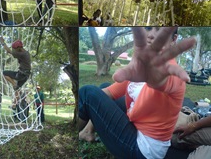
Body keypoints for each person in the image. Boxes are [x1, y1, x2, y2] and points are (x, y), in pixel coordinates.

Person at [78, 27, 196, 159]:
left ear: (174, 39)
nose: (151, 35)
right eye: (148, 28)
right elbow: (109, 92)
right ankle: (87, 131)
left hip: (144, 150)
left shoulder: (172, 72)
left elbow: (168, 82)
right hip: (137, 127)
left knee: (87, 93)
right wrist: (91, 121)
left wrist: (156, 80)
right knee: (103, 88)